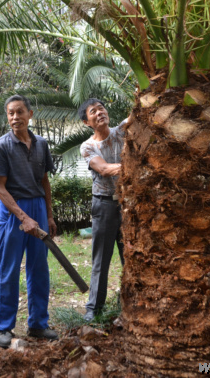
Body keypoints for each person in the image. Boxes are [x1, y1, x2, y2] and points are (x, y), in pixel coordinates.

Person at [0, 95, 58, 348]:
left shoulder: (41, 144)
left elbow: (44, 182)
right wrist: (23, 217)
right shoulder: (1, 146)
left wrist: (48, 215)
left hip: (38, 207)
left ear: (30, 114)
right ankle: (4, 327)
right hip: (13, 209)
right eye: (10, 113)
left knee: (39, 268)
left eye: (19, 112)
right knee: (9, 268)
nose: (15, 117)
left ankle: (38, 324)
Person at [78, 98, 130, 322]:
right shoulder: (88, 146)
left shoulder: (121, 132)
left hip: (128, 205)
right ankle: (94, 310)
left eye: (101, 108)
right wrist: (136, 165)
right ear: (86, 122)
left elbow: (141, 114)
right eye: (93, 111)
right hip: (105, 205)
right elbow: (104, 169)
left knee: (131, 257)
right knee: (101, 259)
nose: (99, 113)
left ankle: (129, 304)